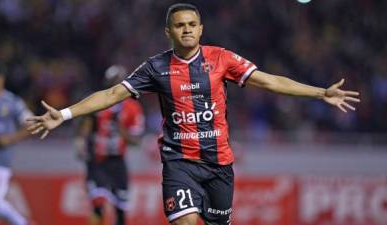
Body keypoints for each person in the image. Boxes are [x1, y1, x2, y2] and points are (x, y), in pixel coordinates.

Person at [26, 3, 360, 225]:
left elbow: (270, 81)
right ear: (168, 32)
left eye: (191, 24)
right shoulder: (155, 67)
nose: (186, 30)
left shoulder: (222, 59)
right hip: (179, 164)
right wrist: (65, 114)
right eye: (179, 25)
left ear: (201, 29)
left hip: (219, 166)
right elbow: (113, 94)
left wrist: (320, 92)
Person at [74, 65, 145, 225]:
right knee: (97, 205)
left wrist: (122, 131)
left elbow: (136, 140)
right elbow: (84, 127)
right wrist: (80, 144)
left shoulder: (132, 108)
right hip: (97, 160)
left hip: (117, 162)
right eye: (111, 82)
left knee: (120, 210)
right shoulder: (98, 101)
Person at [0, 61, 33, 225]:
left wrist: (10, 138)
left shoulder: (12, 102)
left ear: (0, 79)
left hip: (0, 160)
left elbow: (31, 125)